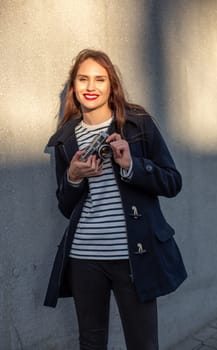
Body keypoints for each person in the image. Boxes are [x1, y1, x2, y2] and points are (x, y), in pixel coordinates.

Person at [44, 49, 187, 350]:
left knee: (143, 343)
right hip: (84, 257)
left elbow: (173, 181)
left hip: (134, 255)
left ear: (112, 86)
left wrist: (131, 165)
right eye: (83, 79)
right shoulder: (65, 139)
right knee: (91, 341)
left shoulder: (137, 123)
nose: (91, 87)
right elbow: (65, 206)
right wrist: (73, 177)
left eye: (100, 79)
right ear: (74, 87)